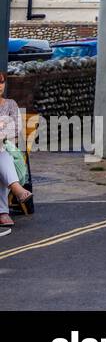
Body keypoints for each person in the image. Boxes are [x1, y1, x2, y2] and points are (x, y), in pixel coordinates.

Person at [0, 73, 32, 234]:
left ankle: (4, 212)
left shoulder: (11, 104)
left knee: (2, 154)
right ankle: (15, 194)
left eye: (1, 82)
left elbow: (15, 129)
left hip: (7, 148)